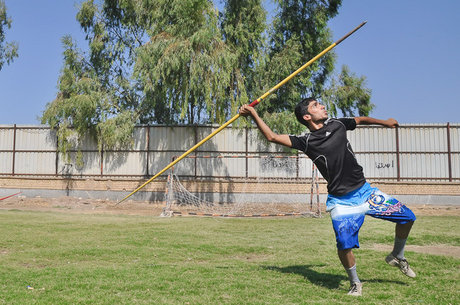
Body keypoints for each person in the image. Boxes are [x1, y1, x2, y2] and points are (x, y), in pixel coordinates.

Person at [239, 97, 416, 297]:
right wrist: (253, 113)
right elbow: (271, 137)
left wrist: (385, 122)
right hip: (341, 201)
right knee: (344, 244)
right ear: (307, 116)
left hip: (366, 193)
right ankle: (355, 283)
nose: (322, 106)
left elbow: (361, 119)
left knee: (407, 217)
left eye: (320, 104)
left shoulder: (338, 124)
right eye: (316, 106)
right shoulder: (306, 141)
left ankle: (397, 255)